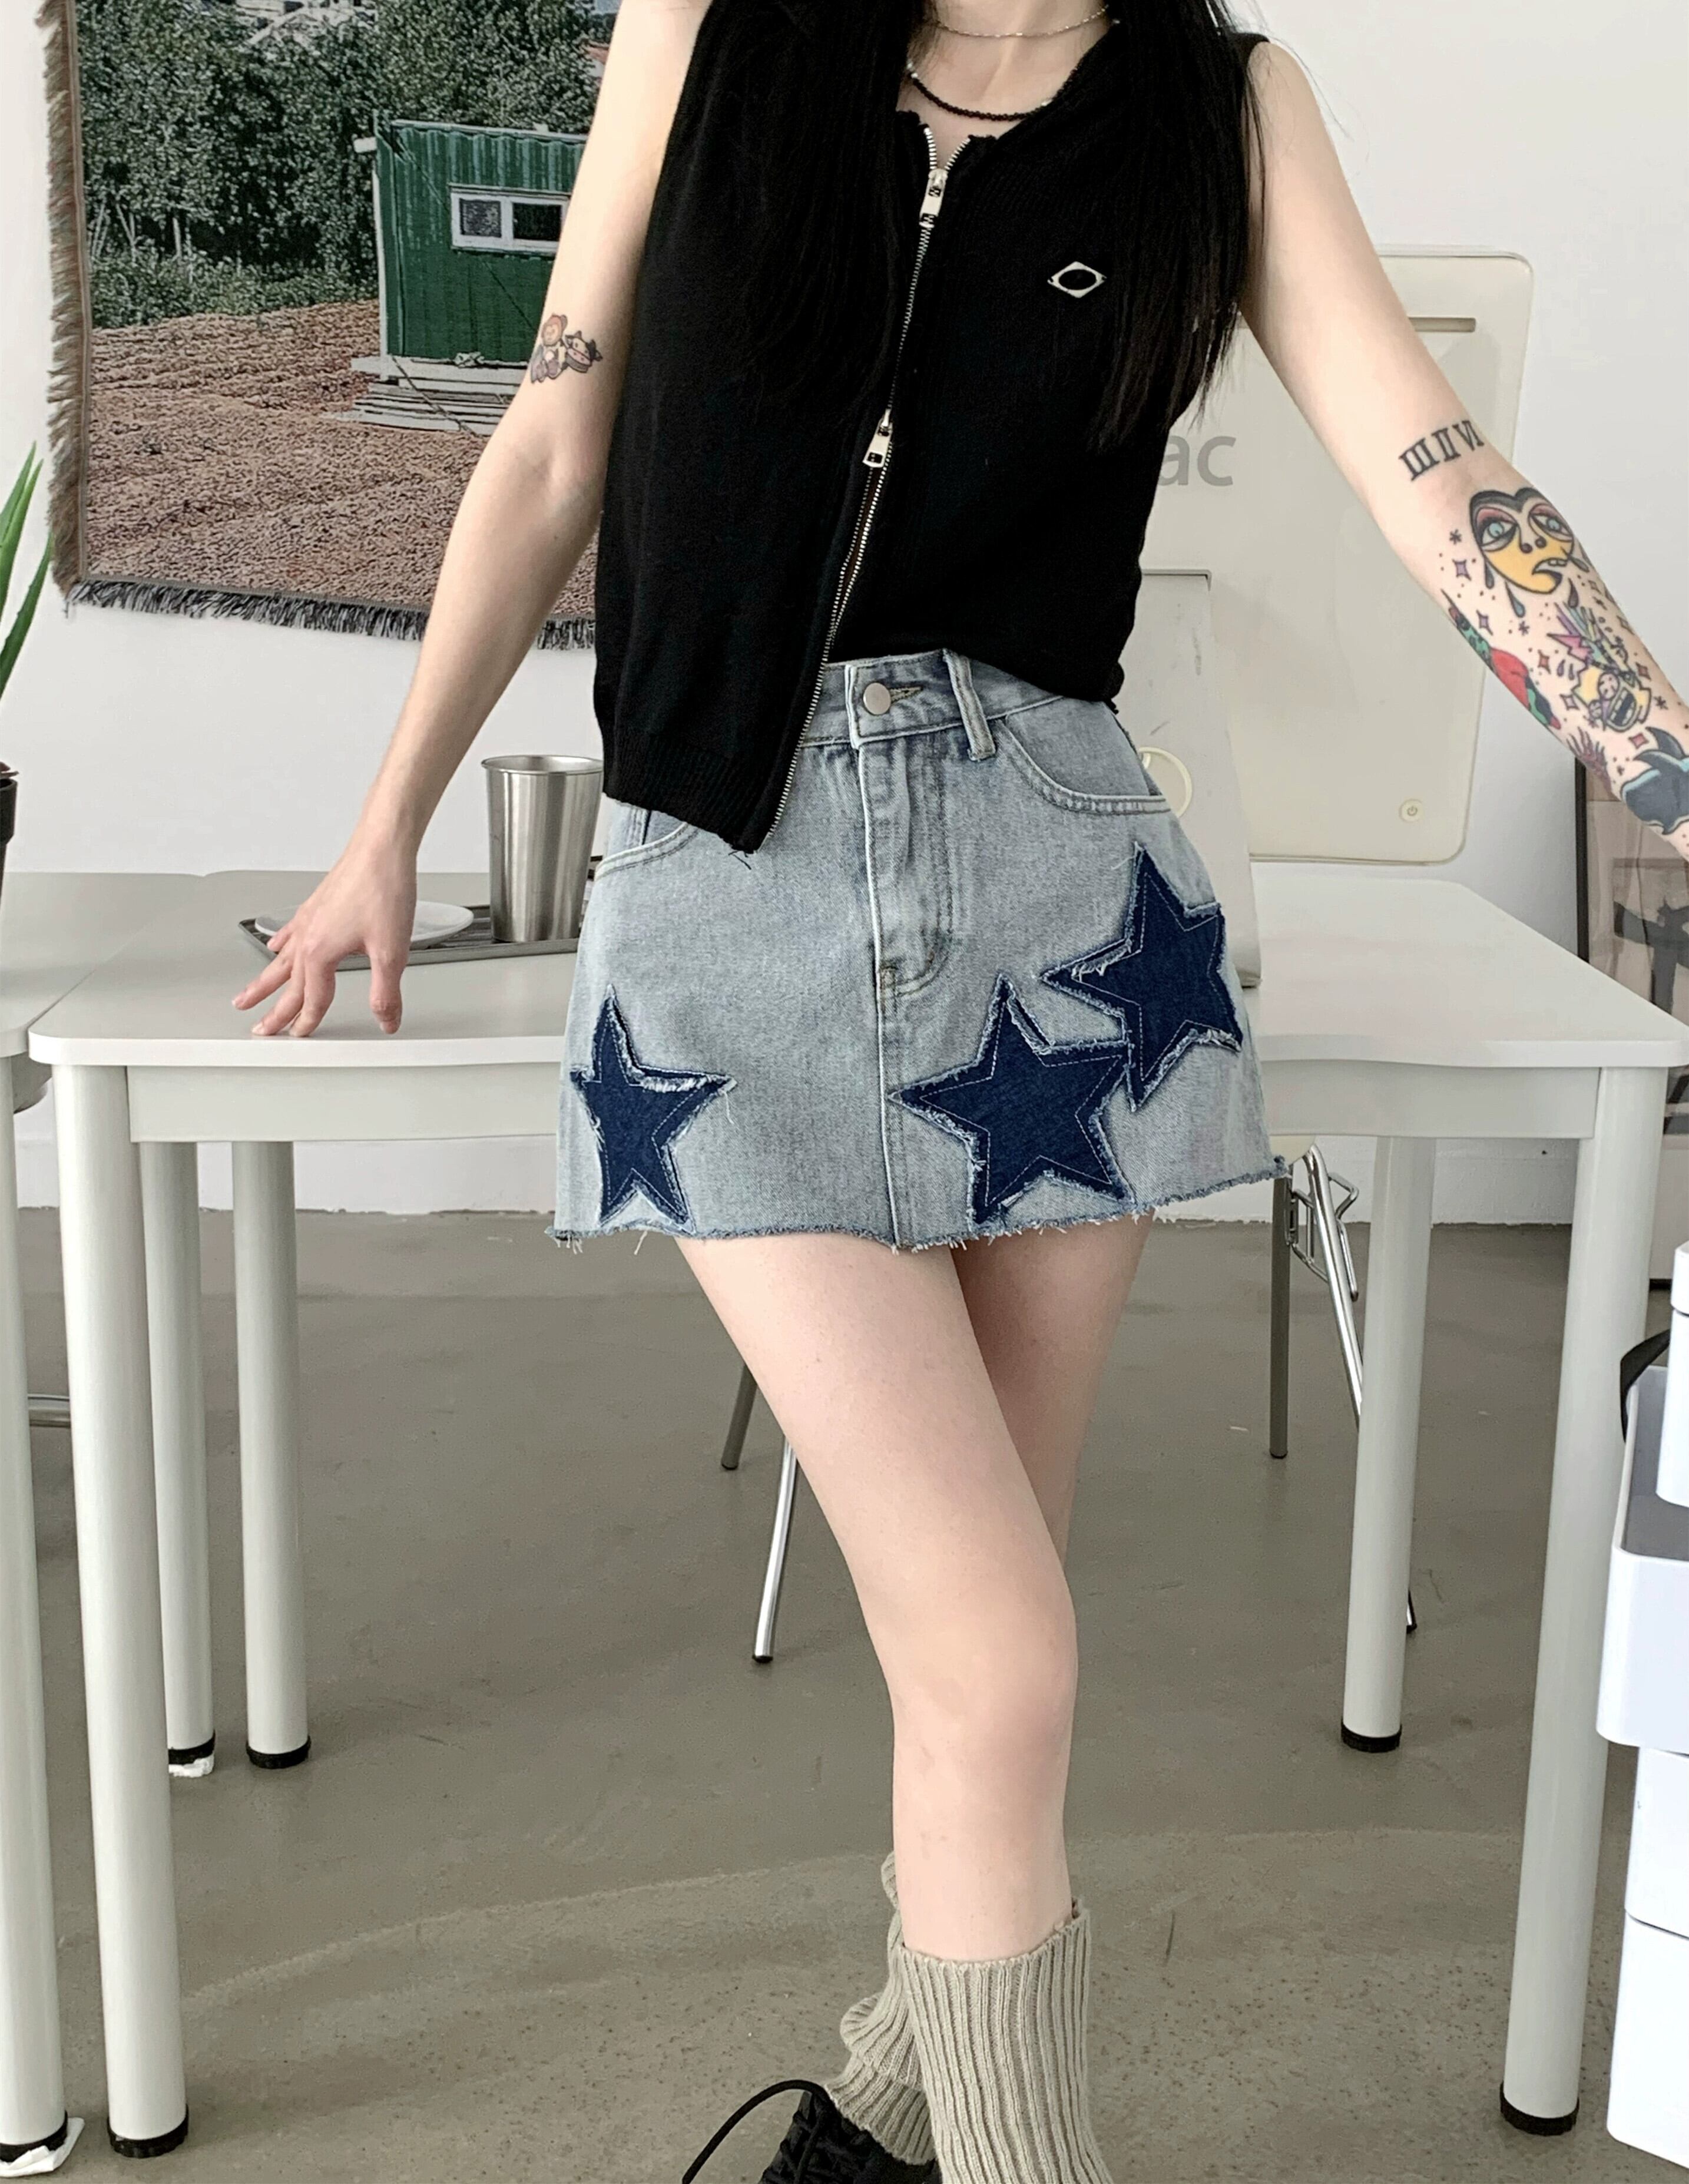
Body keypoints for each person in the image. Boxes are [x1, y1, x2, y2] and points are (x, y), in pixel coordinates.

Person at [234, 4, 1689, 2178]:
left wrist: (1669, 773)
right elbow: (552, 442)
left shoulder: (1221, 111)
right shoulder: (709, 32)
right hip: (723, 894)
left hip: (1063, 912)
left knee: (984, 1648)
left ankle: (885, 2116)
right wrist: (386, 828)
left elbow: (1437, 476)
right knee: (1002, 1656)